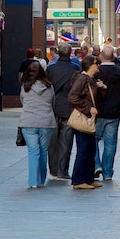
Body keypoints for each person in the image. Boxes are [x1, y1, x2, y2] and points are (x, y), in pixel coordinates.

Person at [93, 46, 120, 181]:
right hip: (114, 113)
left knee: (93, 140)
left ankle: (97, 164)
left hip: (98, 112)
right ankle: (107, 172)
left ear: (101, 56)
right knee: (110, 143)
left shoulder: (96, 72)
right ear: (113, 57)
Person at [18, 62, 55, 189]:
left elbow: (22, 101)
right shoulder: (49, 87)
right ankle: (41, 180)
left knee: (33, 151)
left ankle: (33, 181)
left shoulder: (25, 86)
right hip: (46, 122)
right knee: (43, 151)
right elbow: (52, 102)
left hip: (28, 121)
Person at [68, 56, 103, 190]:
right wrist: (88, 109)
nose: (98, 65)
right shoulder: (82, 79)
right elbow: (72, 97)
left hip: (90, 119)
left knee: (90, 149)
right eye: (96, 63)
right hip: (83, 118)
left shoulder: (91, 79)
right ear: (90, 65)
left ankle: (88, 178)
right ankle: (78, 180)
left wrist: (101, 88)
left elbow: (95, 98)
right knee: (83, 150)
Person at [47, 43, 79, 180]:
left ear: (58, 53)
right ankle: (62, 170)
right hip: (68, 109)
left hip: (53, 108)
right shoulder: (75, 68)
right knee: (66, 141)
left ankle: (53, 169)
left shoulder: (51, 69)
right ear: (70, 52)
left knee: (53, 141)